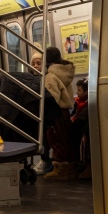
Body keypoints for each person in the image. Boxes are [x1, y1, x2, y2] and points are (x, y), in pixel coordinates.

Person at [41, 46, 77, 180]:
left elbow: (52, 98)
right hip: (65, 111)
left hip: (55, 112)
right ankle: (69, 168)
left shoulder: (51, 76)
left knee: (55, 139)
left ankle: (60, 169)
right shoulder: (65, 73)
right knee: (66, 139)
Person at [72, 79, 91, 179]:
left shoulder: (88, 103)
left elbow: (81, 116)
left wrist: (75, 121)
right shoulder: (78, 102)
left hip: (82, 127)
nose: (77, 92)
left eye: (79, 90)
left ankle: (86, 166)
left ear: (87, 92)